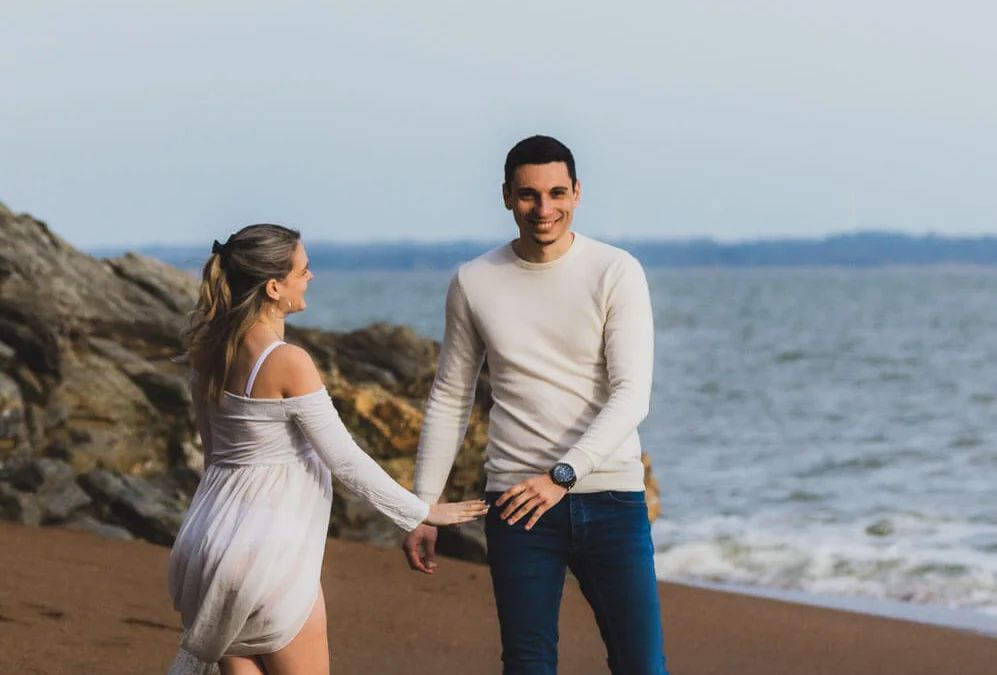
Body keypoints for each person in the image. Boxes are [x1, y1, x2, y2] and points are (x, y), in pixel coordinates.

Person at [167, 224, 488, 675]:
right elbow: (345, 458)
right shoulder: (287, 362)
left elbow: (215, 454)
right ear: (274, 287)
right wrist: (420, 511)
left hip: (208, 545)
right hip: (270, 559)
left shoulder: (206, 352)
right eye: (304, 269)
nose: (311, 277)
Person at [402, 135, 668, 674]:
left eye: (556, 193)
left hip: (610, 498)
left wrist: (562, 476)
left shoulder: (616, 272)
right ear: (506, 197)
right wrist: (423, 506)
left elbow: (631, 394)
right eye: (528, 195)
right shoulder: (474, 281)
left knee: (641, 664)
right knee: (527, 664)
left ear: (577, 193)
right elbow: (451, 396)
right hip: (517, 504)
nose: (543, 209)